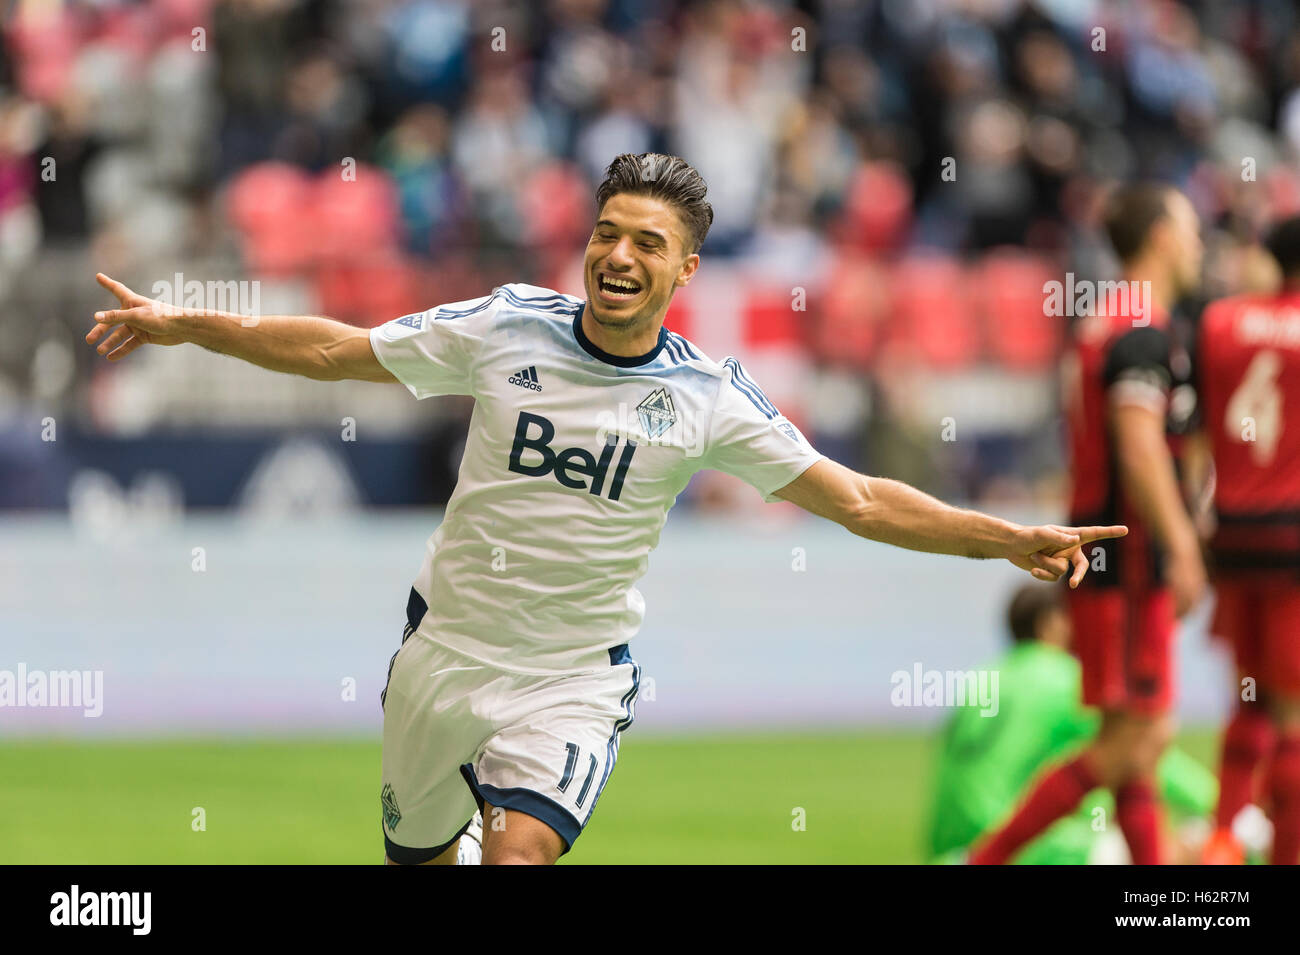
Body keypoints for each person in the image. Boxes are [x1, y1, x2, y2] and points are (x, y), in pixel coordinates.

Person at [86, 152, 1124, 865]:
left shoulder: (706, 398)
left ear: (684, 267)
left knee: (522, 849)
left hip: (572, 677)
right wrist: (189, 324)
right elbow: (338, 349)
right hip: (443, 651)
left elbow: (853, 498)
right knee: (414, 854)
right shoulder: (504, 327)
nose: (618, 256)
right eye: (606, 232)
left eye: (645, 243)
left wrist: (1007, 539)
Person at [972, 183, 1206, 865]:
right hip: (1129, 561)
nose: (1198, 244)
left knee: (1135, 740)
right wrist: (1182, 543)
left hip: (1104, 554)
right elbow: (1138, 448)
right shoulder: (1141, 328)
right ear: (1161, 234)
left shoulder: (1105, 319)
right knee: (1137, 739)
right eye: (1189, 228)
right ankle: (984, 860)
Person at [929, 584, 1216, 865]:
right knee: (1190, 848)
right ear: (1049, 625)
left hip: (950, 847)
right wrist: (1219, 804)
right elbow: (1136, 751)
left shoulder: (982, 678)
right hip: (1028, 848)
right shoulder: (1062, 678)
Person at [1197, 215, 1300, 865]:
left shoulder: (1219, 321)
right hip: (1294, 538)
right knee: (1294, 714)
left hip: (1231, 535)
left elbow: (1202, 423)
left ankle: (1223, 838)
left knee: (1250, 696)